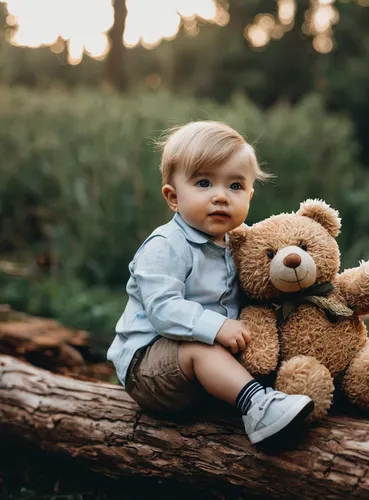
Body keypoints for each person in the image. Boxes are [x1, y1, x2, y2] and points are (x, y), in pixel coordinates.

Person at [107, 121, 314, 445]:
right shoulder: (167, 244)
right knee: (200, 347)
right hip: (149, 370)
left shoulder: (238, 244)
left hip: (205, 365)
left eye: (234, 186)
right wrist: (216, 327)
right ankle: (256, 406)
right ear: (173, 197)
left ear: (249, 194)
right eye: (204, 183)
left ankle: (287, 393)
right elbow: (163, 309)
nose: (220, 196)